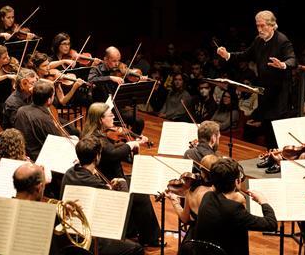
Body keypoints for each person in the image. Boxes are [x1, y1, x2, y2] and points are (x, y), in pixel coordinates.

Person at [81, 102, 161, 246]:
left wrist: (132, 144)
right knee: (140, 193)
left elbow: (109, 150)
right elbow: (112, 154)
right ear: (100, 119)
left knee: (136, 187)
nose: (113, 117)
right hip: (110, 182)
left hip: (110, 176)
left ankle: (132, 230)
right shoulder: (97, 138)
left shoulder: (92, 134)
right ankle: (151, 238)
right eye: (110, 115)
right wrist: (130, 145)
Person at [217, 10, 296, 148]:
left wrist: (283, 64)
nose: (259, 29)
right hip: (264, 91)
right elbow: (245, 55)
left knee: (276, 129)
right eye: (257, 26)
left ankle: (277, 160)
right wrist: (227, 55)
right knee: (267, 128)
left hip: (279, 93)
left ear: (272, 25)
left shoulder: (282, 40)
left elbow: (293, 60)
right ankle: (269, 156)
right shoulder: (258, 40)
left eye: (262, 26)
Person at [61, 136, 144, 255]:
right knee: (137, 249)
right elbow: (120, 210)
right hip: (91, 238)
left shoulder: (69, 172)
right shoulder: (95, 183)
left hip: (70, 233)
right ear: (97, 157)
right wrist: (122, 185)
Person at [194, 158, 277, 255]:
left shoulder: (207, 197)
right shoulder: (234, 209)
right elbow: (271, 224)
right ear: (237, 181)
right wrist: (263, 201)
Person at [87, 46, 146, 134]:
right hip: (101, 108)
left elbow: (129, 74)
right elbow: (91, 80)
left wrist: (139, 77)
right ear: (105, 59)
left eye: (118, 60)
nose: (117, 63)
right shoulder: (96, 69)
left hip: (117, 107)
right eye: (114, 61)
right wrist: (110, 78)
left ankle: (129, 143)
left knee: (139, 121)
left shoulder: (119, 70)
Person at [166, 155, 221, 242]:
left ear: (202, 171)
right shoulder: (224, 192)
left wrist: (174, 200)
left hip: (198, 238)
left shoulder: (192, 192)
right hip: (219, 238)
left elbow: (184, 218)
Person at [14, 80, 62, 160]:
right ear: (49, 100)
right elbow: (57, 143)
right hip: (40, 157)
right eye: (53, 95)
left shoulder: (21, 110)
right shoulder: (45, 119)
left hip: (23, 154)